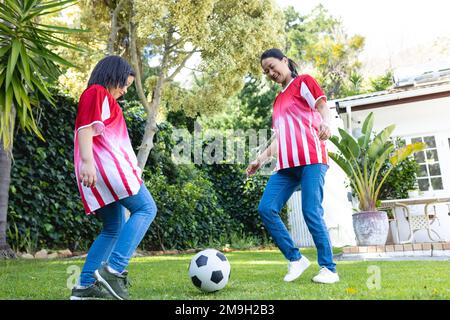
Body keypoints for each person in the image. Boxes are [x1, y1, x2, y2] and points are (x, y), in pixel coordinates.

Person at [246, 48, 339, 284]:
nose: (270, 72)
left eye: (272, 66)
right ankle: (296, 259)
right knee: (266, 208)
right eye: (266, 71)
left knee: (310, 211)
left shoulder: (303, 82)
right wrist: (260, 159)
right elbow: (280, 138)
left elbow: (322, 107)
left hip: (311, 159)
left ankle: (329, 269)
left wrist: (327, 124)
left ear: (284, 61)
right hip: (286, 166)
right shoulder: (277, 101)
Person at [70, 56, 157, 300]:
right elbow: (85, 127)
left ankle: (85, 287)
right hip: (107, 169)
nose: (125, 90)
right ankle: (114, 270)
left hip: (103, 170)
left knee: (113, 227)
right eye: (123, 83)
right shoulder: (96, 92)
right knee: (147, 208)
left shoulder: (105, 100)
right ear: (111, 75)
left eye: (129, 86)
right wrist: (87, 162)